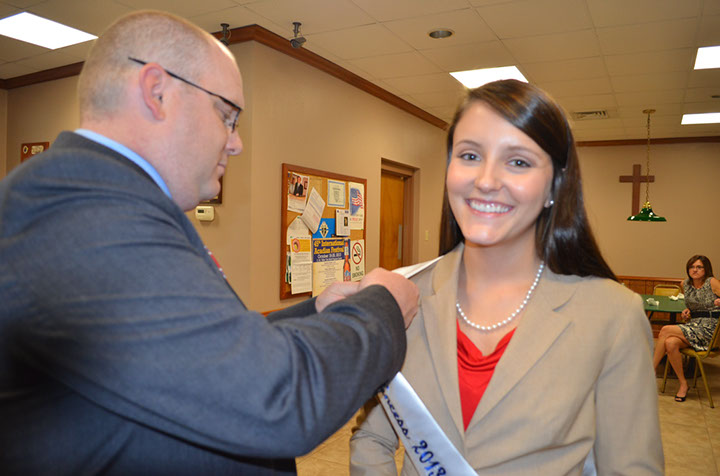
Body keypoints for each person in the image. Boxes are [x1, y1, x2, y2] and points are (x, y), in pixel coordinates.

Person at [0, 11, 420, 475]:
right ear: (157, 92)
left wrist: (317, 312)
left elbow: (197, 350)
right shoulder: (83, 212)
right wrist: (382, 309)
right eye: (227, 115)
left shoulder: (104, 199)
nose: (236, 142)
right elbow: (276, 399)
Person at [350, 80, 663, 474]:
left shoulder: (613, 316)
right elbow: (373, 438)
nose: (485, 180)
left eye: (518, 161)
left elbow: (631, 468)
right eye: (469, 155)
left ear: (555, 185)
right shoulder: (403, 297)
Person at [653, 255, 720, 402]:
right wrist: (688, 312)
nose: (694, 270)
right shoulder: (686, 284)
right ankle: (683, 384)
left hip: (710, 329)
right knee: (670, 343)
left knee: (665, 330)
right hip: (694, 325)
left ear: (706, 269)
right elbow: (694, 306)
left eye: (699, 267)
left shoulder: (712, 282)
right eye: (692, 267)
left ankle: (649, 373)